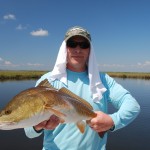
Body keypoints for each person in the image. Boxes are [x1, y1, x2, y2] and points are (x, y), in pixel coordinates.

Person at [24, 26, 140, 150]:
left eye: (83, 45)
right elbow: (28, 132)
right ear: (65, 48)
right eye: (72, 44)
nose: (77, 50)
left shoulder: (103, 80)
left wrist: (112, 121)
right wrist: (37, 126)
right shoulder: (47, 81)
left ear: (90, 50)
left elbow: (132, 106)